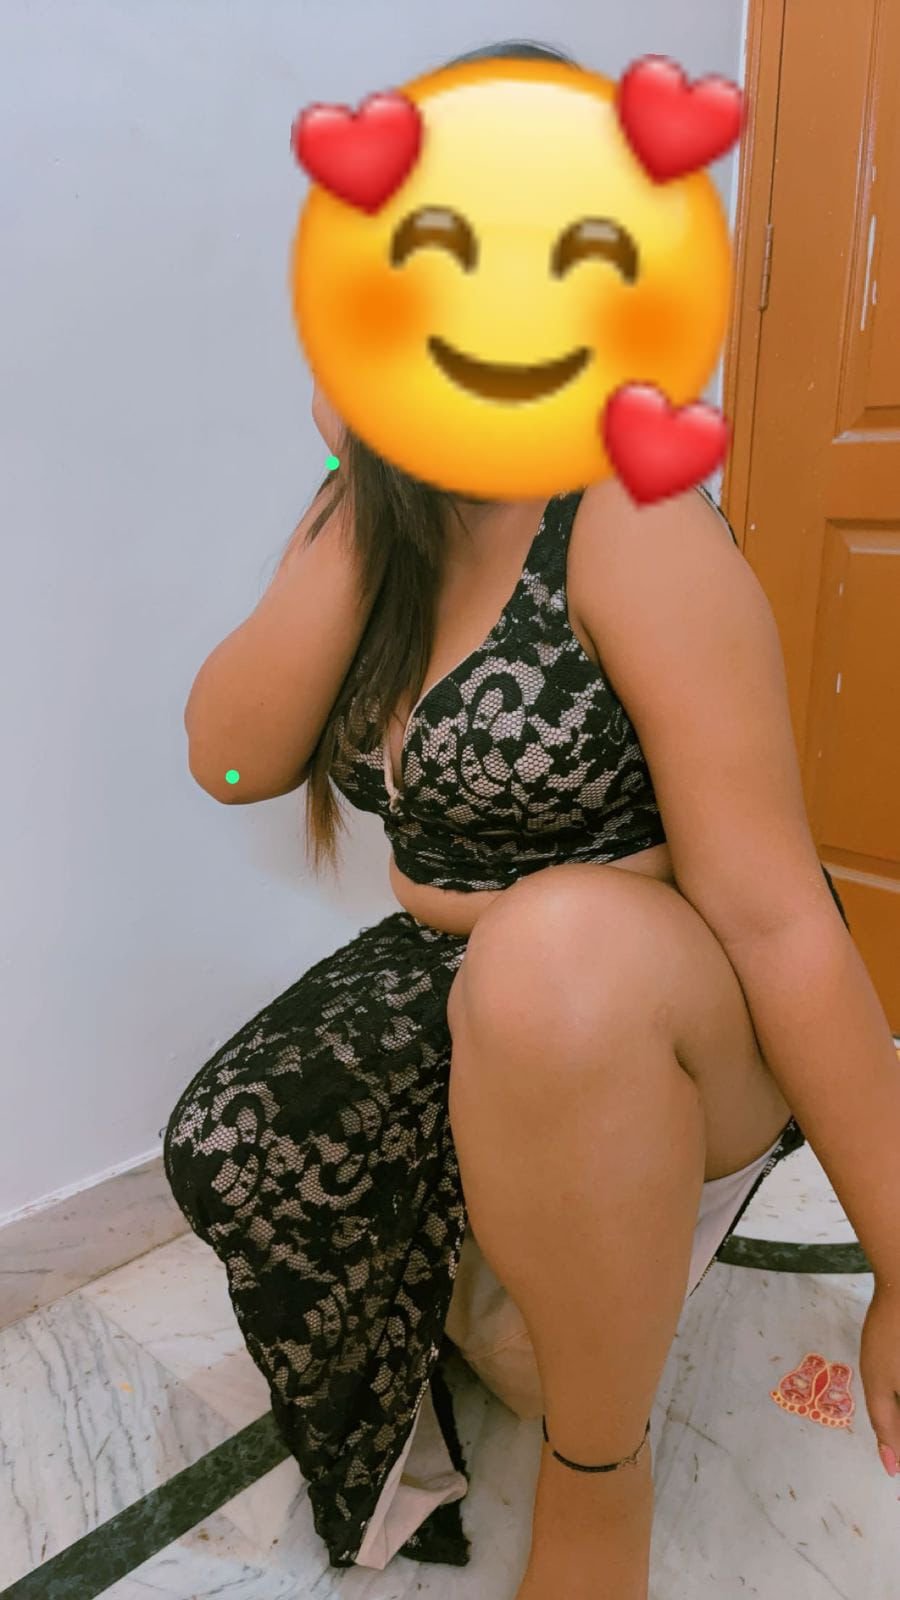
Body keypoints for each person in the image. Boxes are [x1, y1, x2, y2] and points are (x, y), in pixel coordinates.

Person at [164, 38, 873, 1600]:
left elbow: (773, 913)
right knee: (236, 1136)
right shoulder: (369, 512)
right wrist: (368, 476)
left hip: (663, 993)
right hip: (478, 966)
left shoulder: (627, 514)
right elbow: (229, 764)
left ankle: (595, 1475)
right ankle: (483, 1345)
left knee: (552, 961)